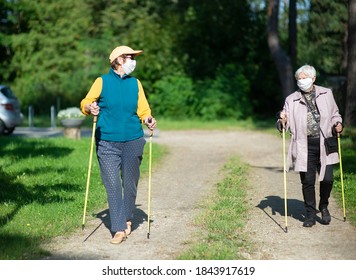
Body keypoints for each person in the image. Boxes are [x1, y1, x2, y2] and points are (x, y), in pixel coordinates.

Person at [80, 45, 157, 244]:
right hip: (107, 141)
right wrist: (90, 107)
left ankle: (128, 217)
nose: (133, 61)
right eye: (130, 57)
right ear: (119, 60)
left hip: (133, 139)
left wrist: (148, 119)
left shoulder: (135, 84)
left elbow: (144, 110)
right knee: (113, 185)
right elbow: (86, 102)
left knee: (129, 184)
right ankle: (119, 228)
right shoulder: (102, 81)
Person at [277, 64, 343, 227]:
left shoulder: (326, 94)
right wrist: (282, 120)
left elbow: (335, 114)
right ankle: (310, 214)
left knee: (327, 179)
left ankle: (324, 206)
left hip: (324, 143)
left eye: (304, 78)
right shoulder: (291, 99)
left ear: (313, 78)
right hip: (303, 145)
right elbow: (283, 124)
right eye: (299, 79)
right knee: (307, 181)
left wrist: (338, 124)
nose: (301, 81)